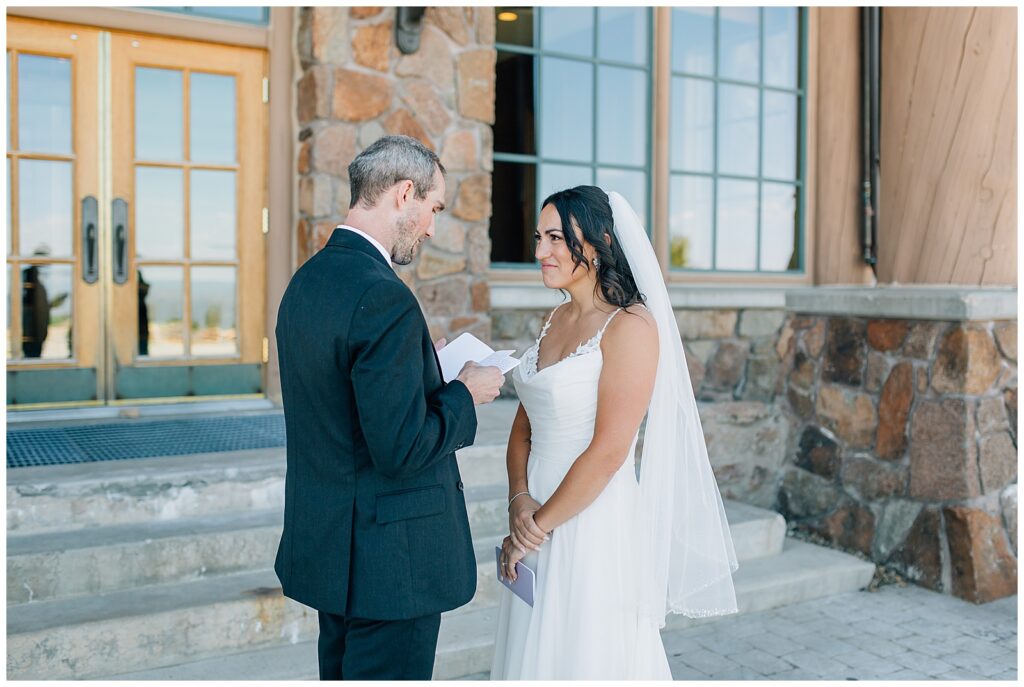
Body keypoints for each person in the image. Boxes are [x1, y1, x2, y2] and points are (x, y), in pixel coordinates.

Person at [274, 135, 505, 680]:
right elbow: (402, 448)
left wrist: (425, 368)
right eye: (434, 209)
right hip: (390, 566)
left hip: (335, 553)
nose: (431, 228)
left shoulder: (305, 283)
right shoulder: (383, 295)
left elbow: (341, 404)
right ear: (406, 193)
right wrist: (465, 392)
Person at [491, 186, 739, 679]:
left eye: (557, 238)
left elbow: (608, 451)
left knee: (586, 652)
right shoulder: (556, 317)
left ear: (602, 241)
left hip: (591, 520)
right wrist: (520, 500)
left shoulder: (631, 327)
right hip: (535, 509)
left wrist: (534, 530)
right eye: (540, 237)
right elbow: (523, 427)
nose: (540, 251)